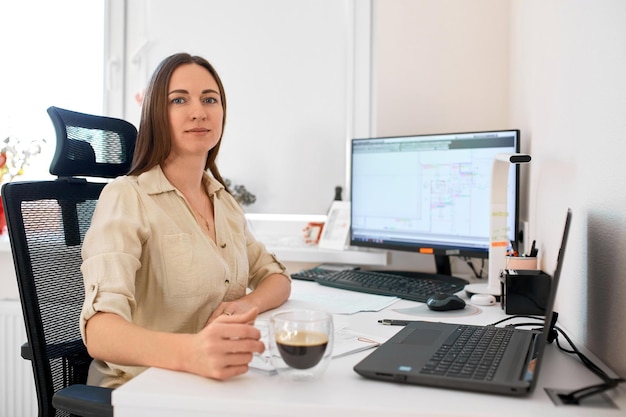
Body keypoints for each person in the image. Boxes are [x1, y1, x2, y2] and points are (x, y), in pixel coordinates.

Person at [79, 53, 292, 388]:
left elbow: (277, 277)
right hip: (141, 389)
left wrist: (243, 305)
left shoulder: (224, 202)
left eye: (210, 99)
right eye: (179, 100)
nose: (199, 111)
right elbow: (100, 333)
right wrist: (193, 352)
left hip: (207, 383)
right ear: (156, 115)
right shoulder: (127, 197)